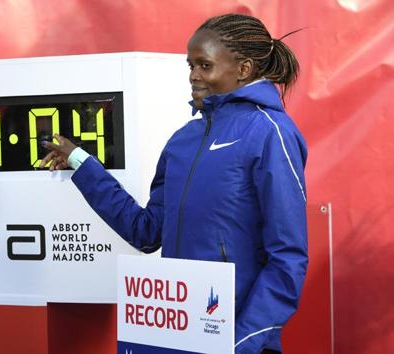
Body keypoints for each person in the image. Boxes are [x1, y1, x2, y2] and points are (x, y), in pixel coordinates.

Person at [41, 13, 308, 354]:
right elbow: (146, 231)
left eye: (205, 66)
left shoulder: (271, 132)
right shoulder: (183, 140)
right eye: (190, 66)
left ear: (244, 69)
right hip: (179, 337)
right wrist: (82, 163)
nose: (194, 77)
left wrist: (240, 343)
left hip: (238, 345)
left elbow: (287, 258)